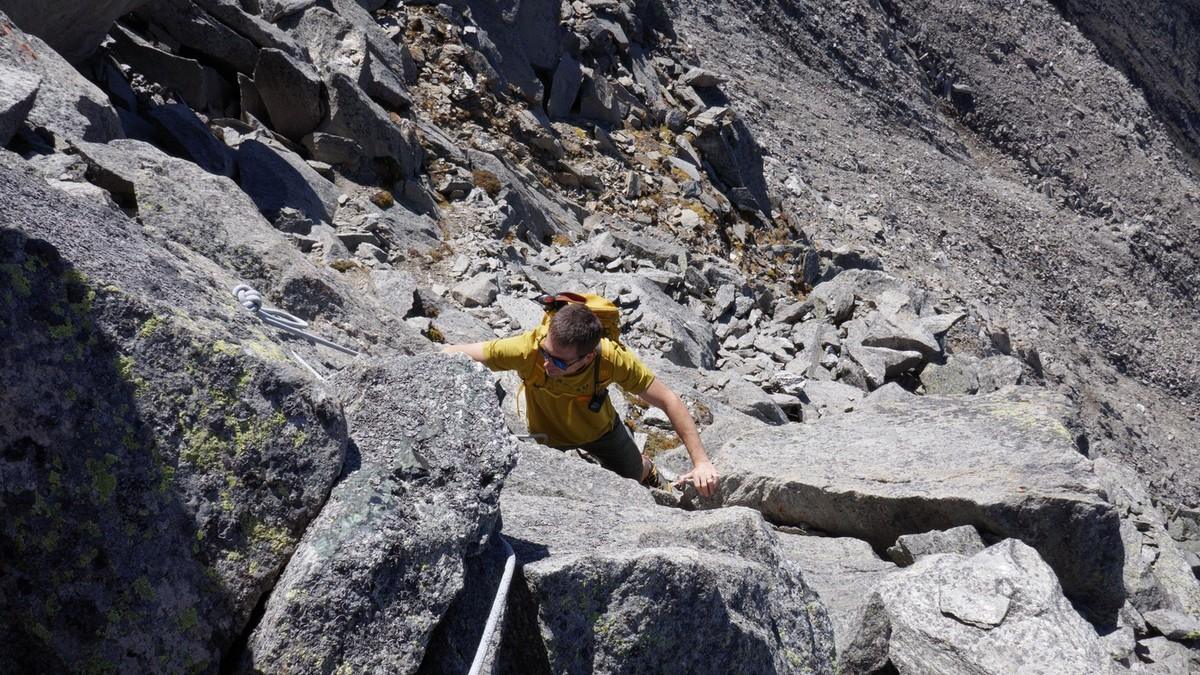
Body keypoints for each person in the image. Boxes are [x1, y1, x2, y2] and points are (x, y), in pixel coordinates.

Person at [442, 303, 719, 496]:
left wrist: (701, 462)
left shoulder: (611, 360)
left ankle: (647, 468)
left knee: (634, 475)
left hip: (601, 432)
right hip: (548, 436)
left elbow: (668, 400)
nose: (547, 364)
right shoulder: (527, 349)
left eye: (559, 362)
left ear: (587, 358)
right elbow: (459, 352)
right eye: (546, 353)